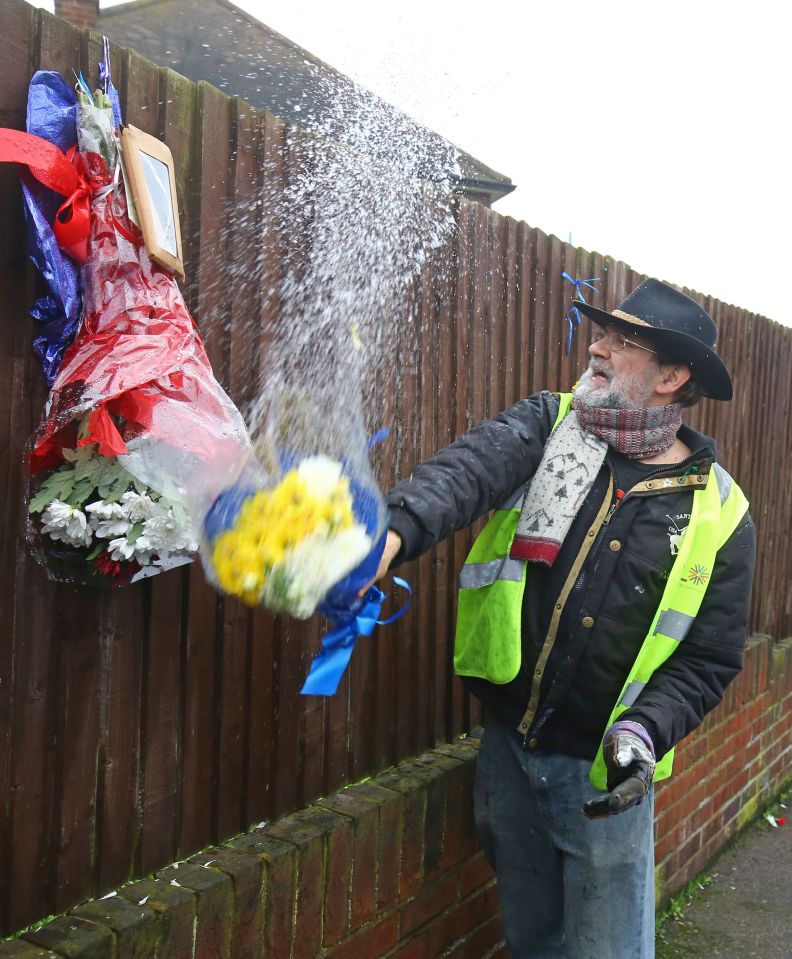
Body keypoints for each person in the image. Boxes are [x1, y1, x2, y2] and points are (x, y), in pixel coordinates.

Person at [372, 279, 755, 959]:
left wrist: (644, 731)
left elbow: (710, 658)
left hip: (605, 779)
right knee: (533, 939)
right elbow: (464, 475)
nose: (598, 348)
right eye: (603, 333)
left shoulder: (721, 510)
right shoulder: (552, 423)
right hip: (507, 758)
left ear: (672, 376)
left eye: (623, 343)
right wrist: (390, 534)